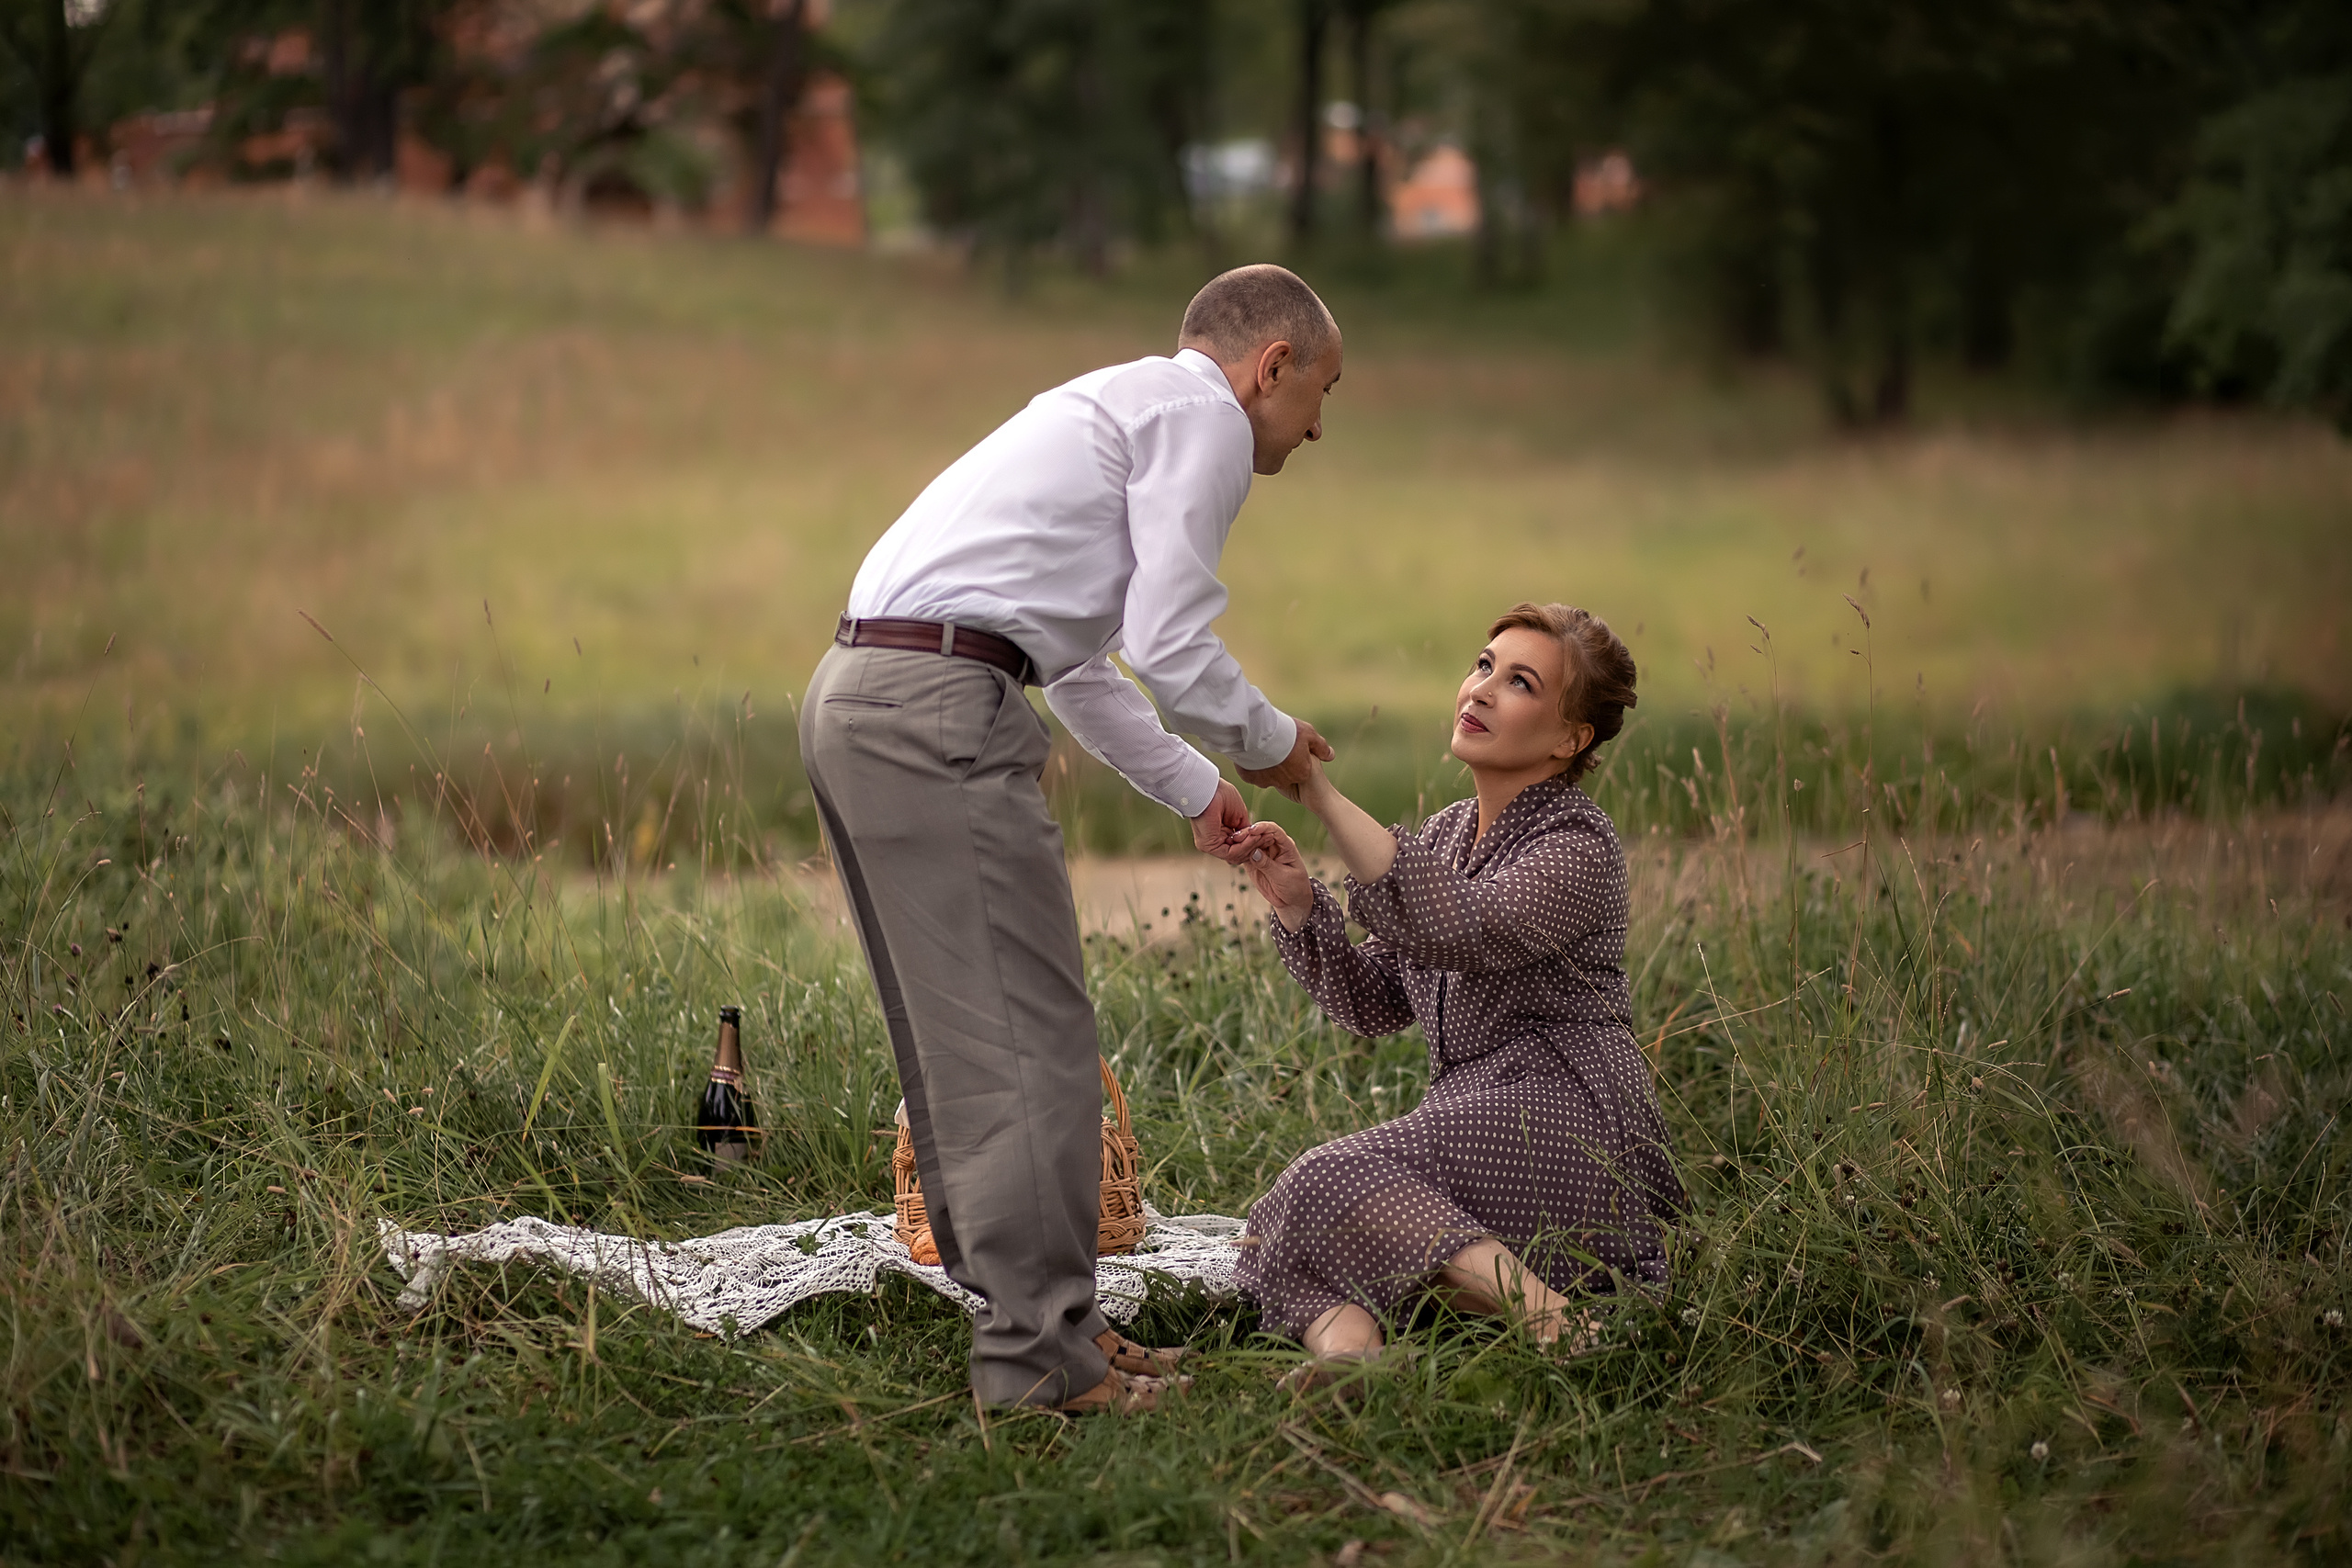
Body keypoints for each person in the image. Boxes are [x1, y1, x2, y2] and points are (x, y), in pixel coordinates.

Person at [799, 265, 1344, 1414]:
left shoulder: (1112, 409)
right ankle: (1037, 1361)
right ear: (1271, 367)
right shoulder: (1200, 416)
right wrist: (1274, 743)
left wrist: (1197, 787)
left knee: (971, 1042)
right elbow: (1172, 642)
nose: (1317, 425)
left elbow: (1086, 664)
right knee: (1025, 1038)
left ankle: (1059, 1329)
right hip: (936, 712)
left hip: (867, 692)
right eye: (1320, 395)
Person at [1227, 602, 1687, 1376]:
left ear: (1571, 739)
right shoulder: (1441, 834)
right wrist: (1300, 906)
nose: (1480, 689)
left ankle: (1559, 1326)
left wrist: (1322, 796)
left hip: (1569, 1119)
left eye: (1519, 682)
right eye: (1482, 665)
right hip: (1474, 1123)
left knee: (1326, 1176)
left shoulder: (1578, 846)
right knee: (1270, 1224)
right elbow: (1377, 1000)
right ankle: (1354, 1361)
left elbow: (1468, 929)